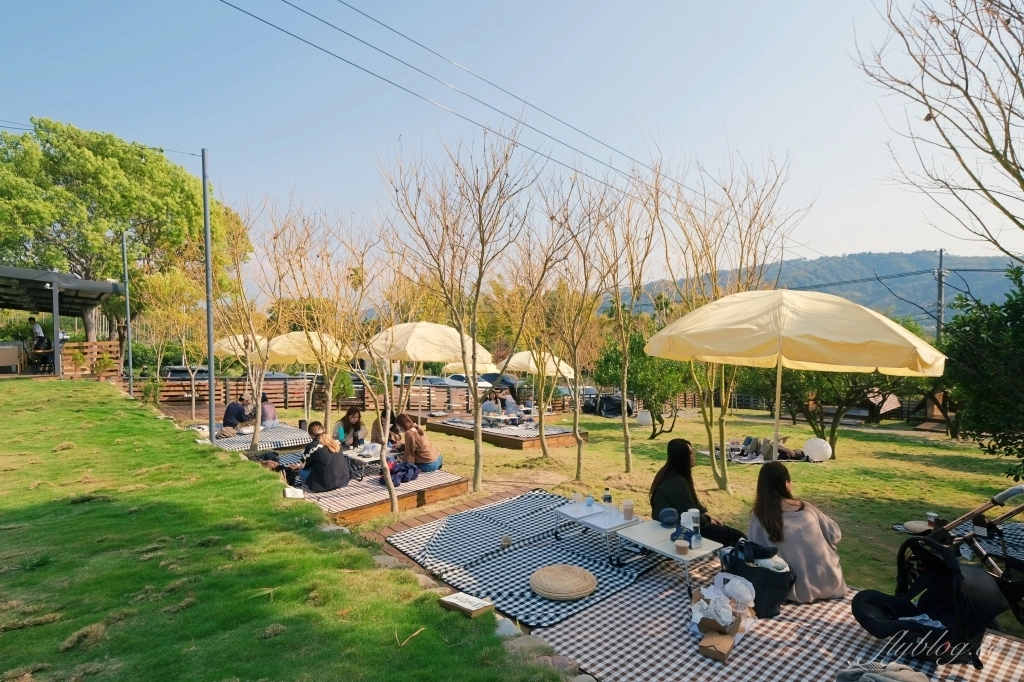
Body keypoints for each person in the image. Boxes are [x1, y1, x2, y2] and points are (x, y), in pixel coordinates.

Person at [747, 461, 846, 603]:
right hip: (830, 581)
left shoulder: (760, 518)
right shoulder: (808, 509)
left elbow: (754, 554)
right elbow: (835, 534)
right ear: (787, 483)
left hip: (792, 590)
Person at [649, 438, 745, 547]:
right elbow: (690, 512)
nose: (694, 455)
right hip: (676, 530)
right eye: (690, 453)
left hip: (685, 525)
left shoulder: (676, 475)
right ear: (682, 458)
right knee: (736, 537)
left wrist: (707, 515)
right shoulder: (675, 481)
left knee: (731, 535)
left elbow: (694, 502)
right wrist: (708, 521)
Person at [287, 421, 351, 492]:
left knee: (302, 471)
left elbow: (303, 466)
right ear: (323, 430)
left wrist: (299, 466)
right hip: (344, 480)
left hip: (323, 485)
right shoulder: (336, 441)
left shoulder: (312, 447)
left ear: (309, 434)